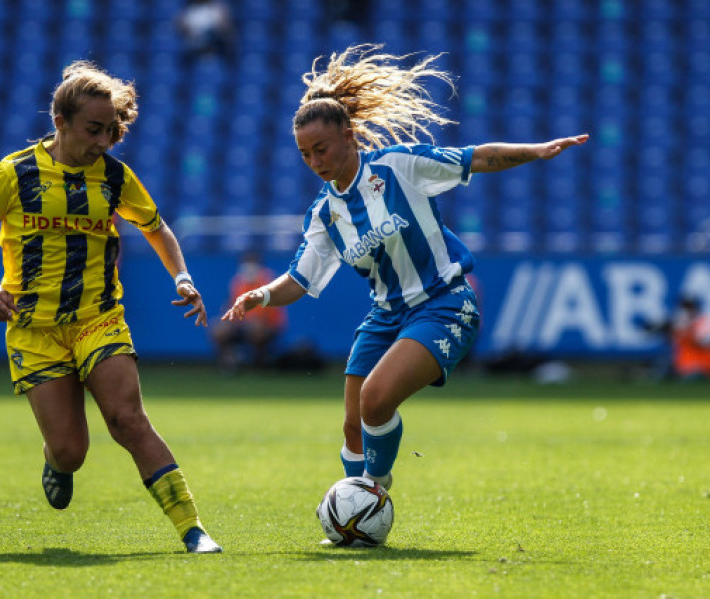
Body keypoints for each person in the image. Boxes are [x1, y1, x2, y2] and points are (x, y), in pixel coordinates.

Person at [223, 45, 589, 497]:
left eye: (321, 148)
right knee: (353, 426)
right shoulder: (324, 215)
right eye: (305, 154)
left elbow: (475, 157)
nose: (315, 161)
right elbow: (299, 279)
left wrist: (534, 151)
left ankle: (370, 496)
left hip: (444, 303)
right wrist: (261, 294)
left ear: (350, 136)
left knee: (375, 400)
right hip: (385, 316)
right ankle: (360, 512)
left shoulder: (398, 166)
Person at [0, 61, 221, 554]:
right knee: (71, 451)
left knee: (128, 420)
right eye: (93, 129)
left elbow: (155, 226)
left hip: (97, 319)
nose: (103, 141)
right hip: (34, 329)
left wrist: (182, 277)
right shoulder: (14, 174)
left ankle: (193, 530)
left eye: (110, 131)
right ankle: (56, 461)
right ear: (60, 121)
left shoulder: (115, 178)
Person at [211, 252, 286, 372]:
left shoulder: (270, 282)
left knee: (256, 328)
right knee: (219, 329)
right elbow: (230, 306)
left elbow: (269, 314)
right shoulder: (238, 282)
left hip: (268, 326)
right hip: (242, 324)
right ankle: (228, 363)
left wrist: (253, 321)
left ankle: (258, 364)